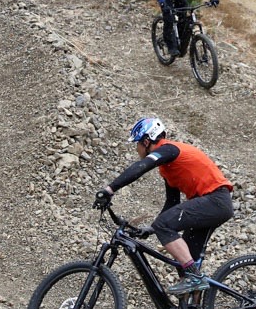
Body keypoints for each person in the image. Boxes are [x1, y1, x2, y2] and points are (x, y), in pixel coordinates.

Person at [93, 117, 233, 297]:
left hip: (215, 200)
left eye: (138, 144)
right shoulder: (168, 168)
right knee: (186, 261)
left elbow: (142, 166)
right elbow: (172, 203)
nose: (137, 149)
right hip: (212, 204)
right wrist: (150, 229)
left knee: (165, 227)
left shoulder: (169, 149)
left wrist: (109, 189)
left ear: (146, 141)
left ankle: (195, 278)